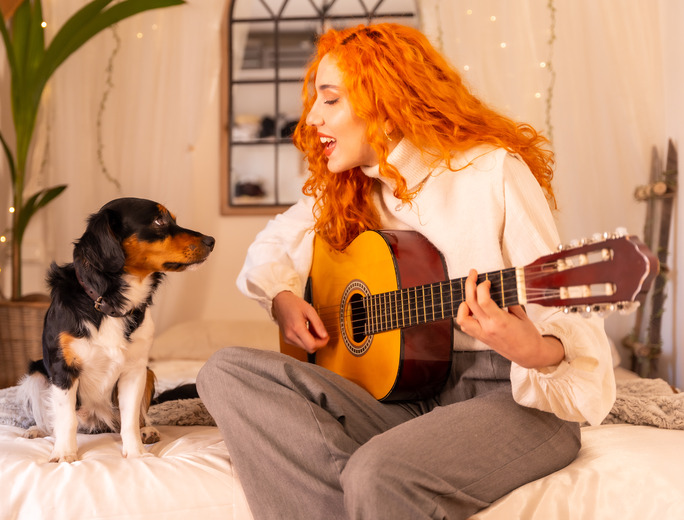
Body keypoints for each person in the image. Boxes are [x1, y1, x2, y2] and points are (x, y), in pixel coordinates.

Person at [197, 23, 615, 519]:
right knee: (224, 372)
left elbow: (571, 319)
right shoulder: (352, 190)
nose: (311, 118)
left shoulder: (490, 171)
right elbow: (271, 247)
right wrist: (282, 298)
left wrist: (534, 349)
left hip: (515, 399)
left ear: (386, 98)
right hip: (406, 393)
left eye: (329, 100)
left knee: (377, 472)